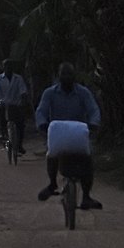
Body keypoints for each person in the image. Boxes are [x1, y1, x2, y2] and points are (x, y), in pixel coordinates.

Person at [35, 62, 103, 209]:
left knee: (87, 160)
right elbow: (41, 111)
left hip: (78, 133)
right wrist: (42, 124)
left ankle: (86, 196)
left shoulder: (83, 93)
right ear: (58, 76)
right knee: (51, 154)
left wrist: (94, 123)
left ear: (74, 76)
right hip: (57, 134)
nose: (66, 77)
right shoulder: (50, 93)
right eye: (63, 74)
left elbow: (93, 110)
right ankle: (52, 183)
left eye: (69, 74)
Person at [0, 59, 30, 154]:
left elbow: (23, 92)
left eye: (9, 66)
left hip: (16, 105)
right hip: (3, 105)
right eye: (6, 66)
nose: (8, 68)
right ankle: (5, 139)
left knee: (20, 125)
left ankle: (19, 145)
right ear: (2, 67)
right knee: (3, 124)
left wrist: (23, 102)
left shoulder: (18, 78)